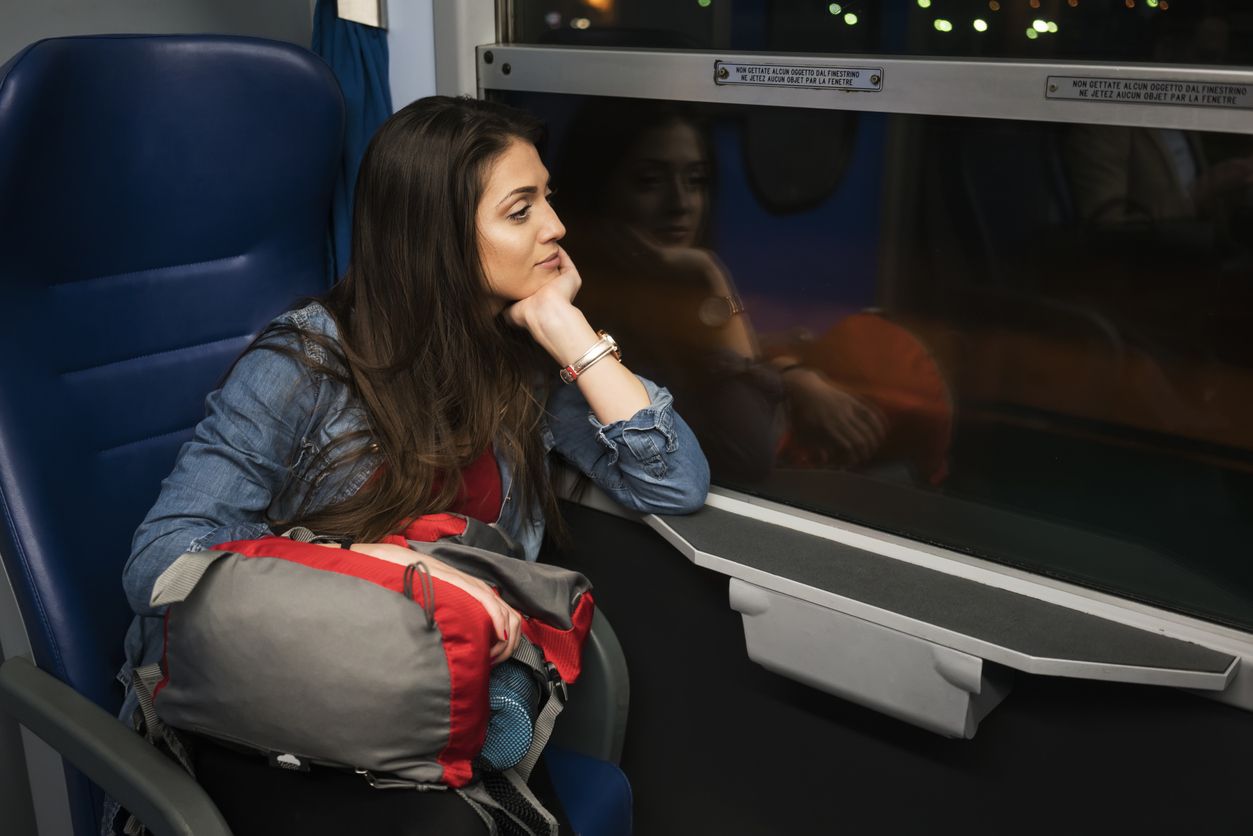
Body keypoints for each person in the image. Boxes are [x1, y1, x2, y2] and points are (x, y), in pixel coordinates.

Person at [104, 95, 710, 836]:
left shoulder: (520, 364)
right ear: (440, 235)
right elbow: (158, 563)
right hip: (286, 697)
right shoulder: (305, 362)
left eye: (547, 198)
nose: (556, 226)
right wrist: (392, 575)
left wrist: (570, 331)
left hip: (436, 695)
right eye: (521, 210)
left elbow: (672, 481)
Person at [557, 99, 952, 485]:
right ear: (598, 189)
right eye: (649, 182)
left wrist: (793, 375)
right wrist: (714, 277)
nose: (681, 204)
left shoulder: (661, 294)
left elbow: (723, 360)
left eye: (695, 180)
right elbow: (745, 453)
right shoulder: (583, 318)